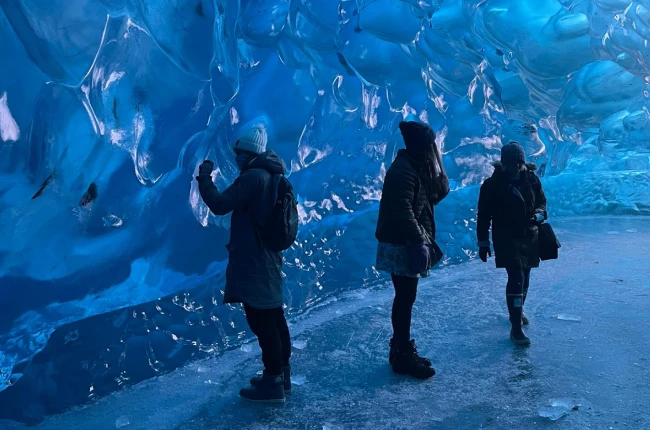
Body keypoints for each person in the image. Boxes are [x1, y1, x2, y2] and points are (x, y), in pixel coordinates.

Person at [195, 126, 292, 402]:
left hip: (254, 259)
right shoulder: (274, 175)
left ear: (249, 152)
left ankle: (272, 382)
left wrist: (204, 178)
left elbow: (220, 204)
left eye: (239, 152)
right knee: (274, 316)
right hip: (270, 257)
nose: (236, 157)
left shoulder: (253, 177)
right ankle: (281, 375)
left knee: (261, 321)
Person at [375, 120, 450, 379]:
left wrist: (438, 169)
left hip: (405, 240)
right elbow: (402, 210)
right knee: (405, 298)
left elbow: (435, 196)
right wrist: (418, 241)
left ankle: (400, 349)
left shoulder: (416, 168)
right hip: (402, 243)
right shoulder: (403, 171)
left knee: (406, 297)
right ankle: (402, 354)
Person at [476, 142, 547, 346]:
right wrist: (483, 243)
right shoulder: (491, 186)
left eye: (519, 162)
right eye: (511, 162)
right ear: (503, 163)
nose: (516, 166)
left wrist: (538, 215)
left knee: (525, 277)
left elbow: (542, 203)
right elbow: (484, 216)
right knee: (516, 277)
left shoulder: (532, 180)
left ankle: (517, 310)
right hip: (507, 238)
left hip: (530, 236)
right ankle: (516, 328)